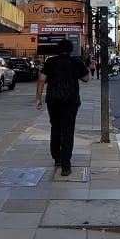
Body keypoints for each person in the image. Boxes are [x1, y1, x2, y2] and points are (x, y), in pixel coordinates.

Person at [35, 40, 90, 177]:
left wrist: (38, 98)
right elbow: (86, 78)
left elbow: (41, 79)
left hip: (53, 100)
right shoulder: (76, 62)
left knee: (55, 128)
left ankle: (57, 158)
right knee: (68, 131)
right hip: (71, 100)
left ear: (57, 49)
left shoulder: (50, 62)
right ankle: (66, 165)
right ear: (71, 50)